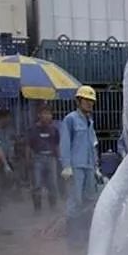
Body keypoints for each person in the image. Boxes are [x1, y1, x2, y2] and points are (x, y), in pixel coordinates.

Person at [60, 85, 99, 244]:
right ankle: (73, 238)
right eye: (86, 100)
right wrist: (66, 165)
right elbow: (65, 143)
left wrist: (96, 167)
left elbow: (93, 145)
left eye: (91, 101)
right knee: (75, 200)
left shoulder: (90, 122)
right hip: (75, 167)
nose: (89, 103)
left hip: (89, 166)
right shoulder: (70, 119)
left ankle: (85, 234)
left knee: (90, 199)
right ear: (78, 101)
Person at [27, 106, 60, 212]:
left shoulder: (54, 129)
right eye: (44, 113)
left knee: (53, 184)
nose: (47, 116)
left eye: (49, 114)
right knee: (37, 185)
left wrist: (59, 159)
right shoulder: (32, 129)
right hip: (37, 158)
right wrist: (28, 161)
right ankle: (37, 209)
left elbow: (57, 145)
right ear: (39, 115)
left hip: (51, 158)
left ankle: (53, 207)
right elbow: (28, 146)